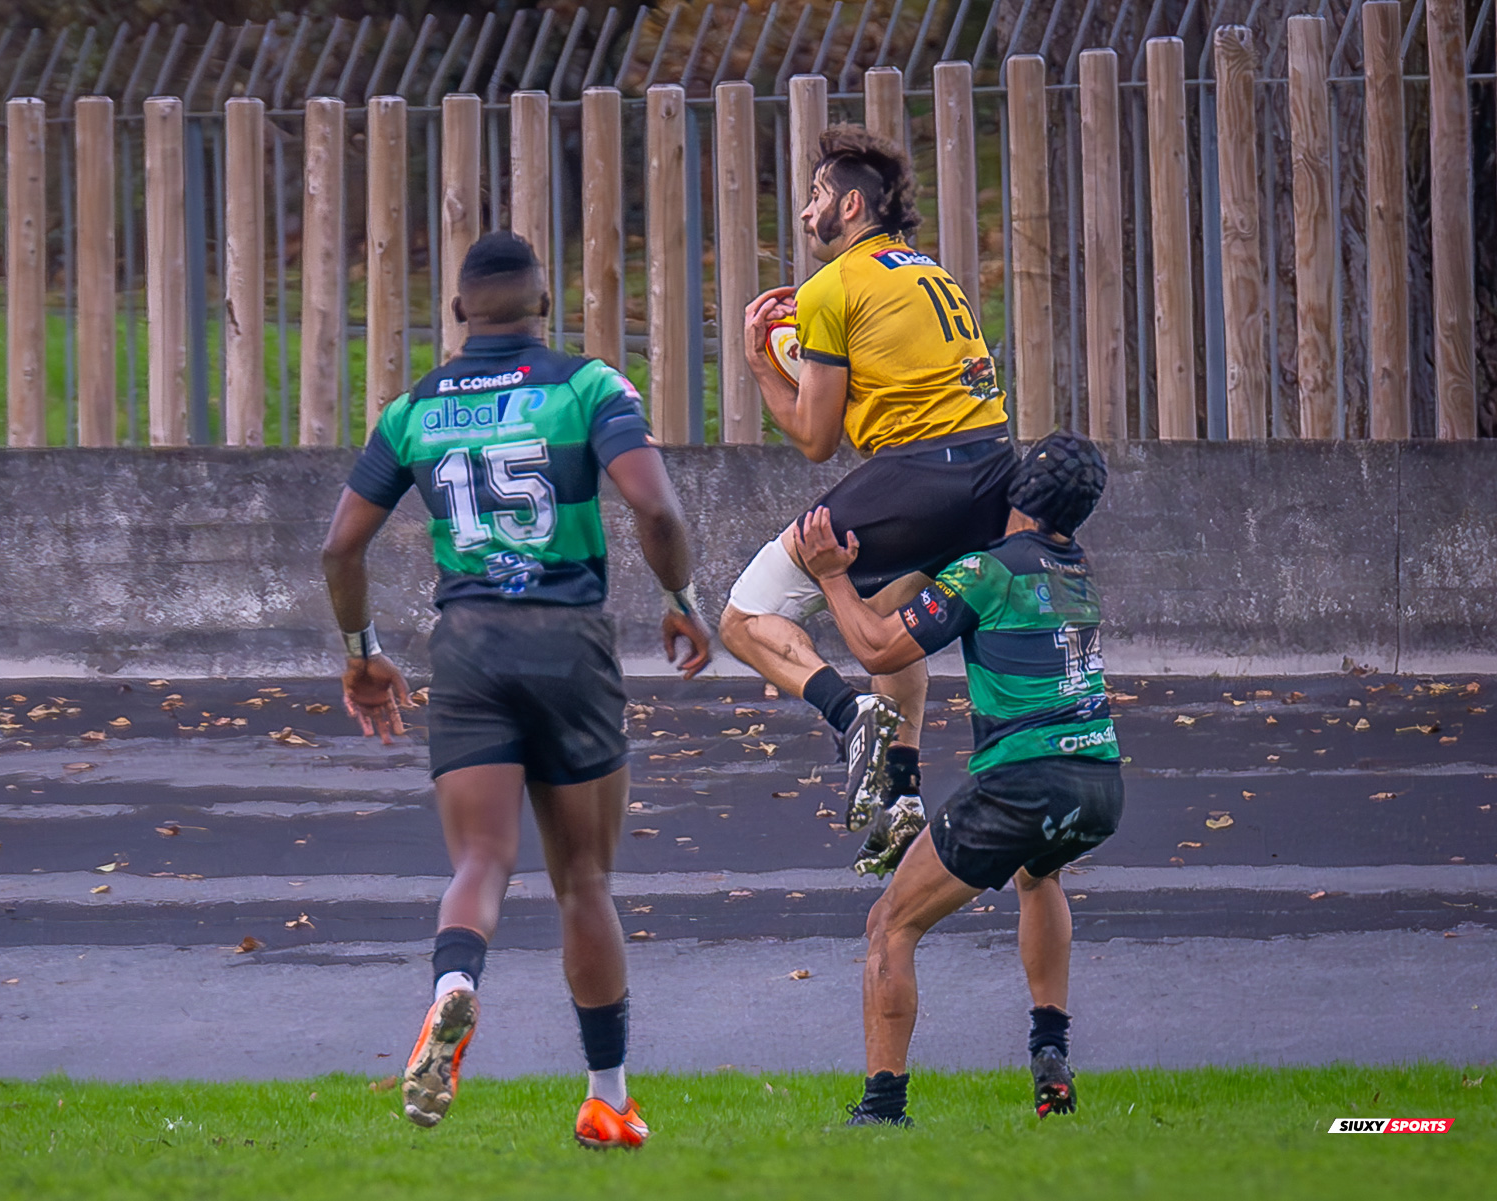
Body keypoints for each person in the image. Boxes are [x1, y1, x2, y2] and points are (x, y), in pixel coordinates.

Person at [320, 231, 711, 1149]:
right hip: (568, 645)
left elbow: (340, 547)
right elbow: (655, 506)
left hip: (469, 650)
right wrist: (681, 598)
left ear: (458, 313)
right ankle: (607, 1095)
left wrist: (361, 648)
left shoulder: (412, 408)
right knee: (584, 878)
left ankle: (455, 986)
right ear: (544, 305)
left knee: (480, 862)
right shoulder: (587, 387)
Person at [789, 431, 1124, 1126]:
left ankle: (882, 1108)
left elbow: (880, 644)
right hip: (1098, 781)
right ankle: (1049, 1051)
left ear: (1017, 493)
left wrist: (829, 576)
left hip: (1024, 781)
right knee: (1040, 876)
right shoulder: (1077, 567)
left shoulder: (988, 571)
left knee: (890, 922)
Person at [723, 124, 1017, 874]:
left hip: (924, 474)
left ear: (851, 206)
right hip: (993, 471)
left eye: (816, 196)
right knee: (885, 613)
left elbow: (816, 438)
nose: (805, 213)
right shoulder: (929, 271)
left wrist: (760, 364)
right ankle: (902, 793)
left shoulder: (831, 288)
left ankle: (849, 715)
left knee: (741, 618)